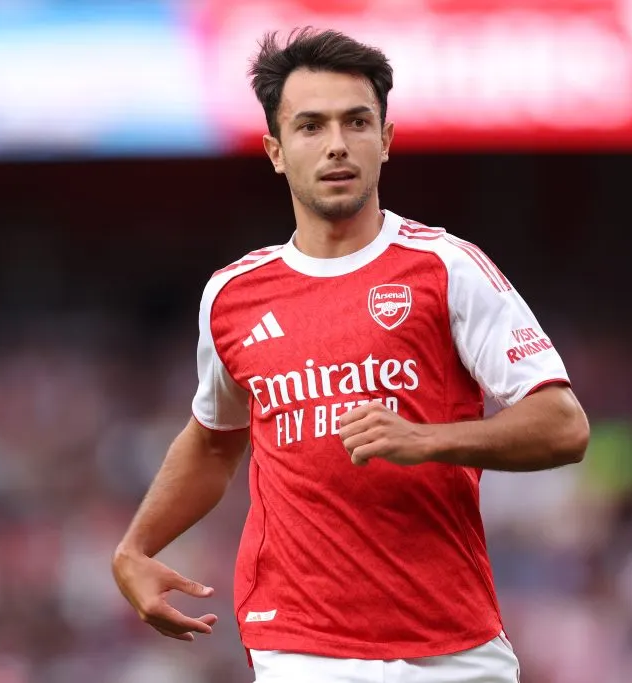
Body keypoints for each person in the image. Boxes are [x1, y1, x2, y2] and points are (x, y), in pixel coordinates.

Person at [112, 27, 590, 683]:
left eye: (356, 122)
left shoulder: (446, 267)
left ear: (385, 140)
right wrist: (136, 547)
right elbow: (215, 439)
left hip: (451, 646)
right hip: (300, 647)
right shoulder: (232, 295)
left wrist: (426, 439)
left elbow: (564, 425)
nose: (336, 143)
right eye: (310, 126)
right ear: (276, 151)